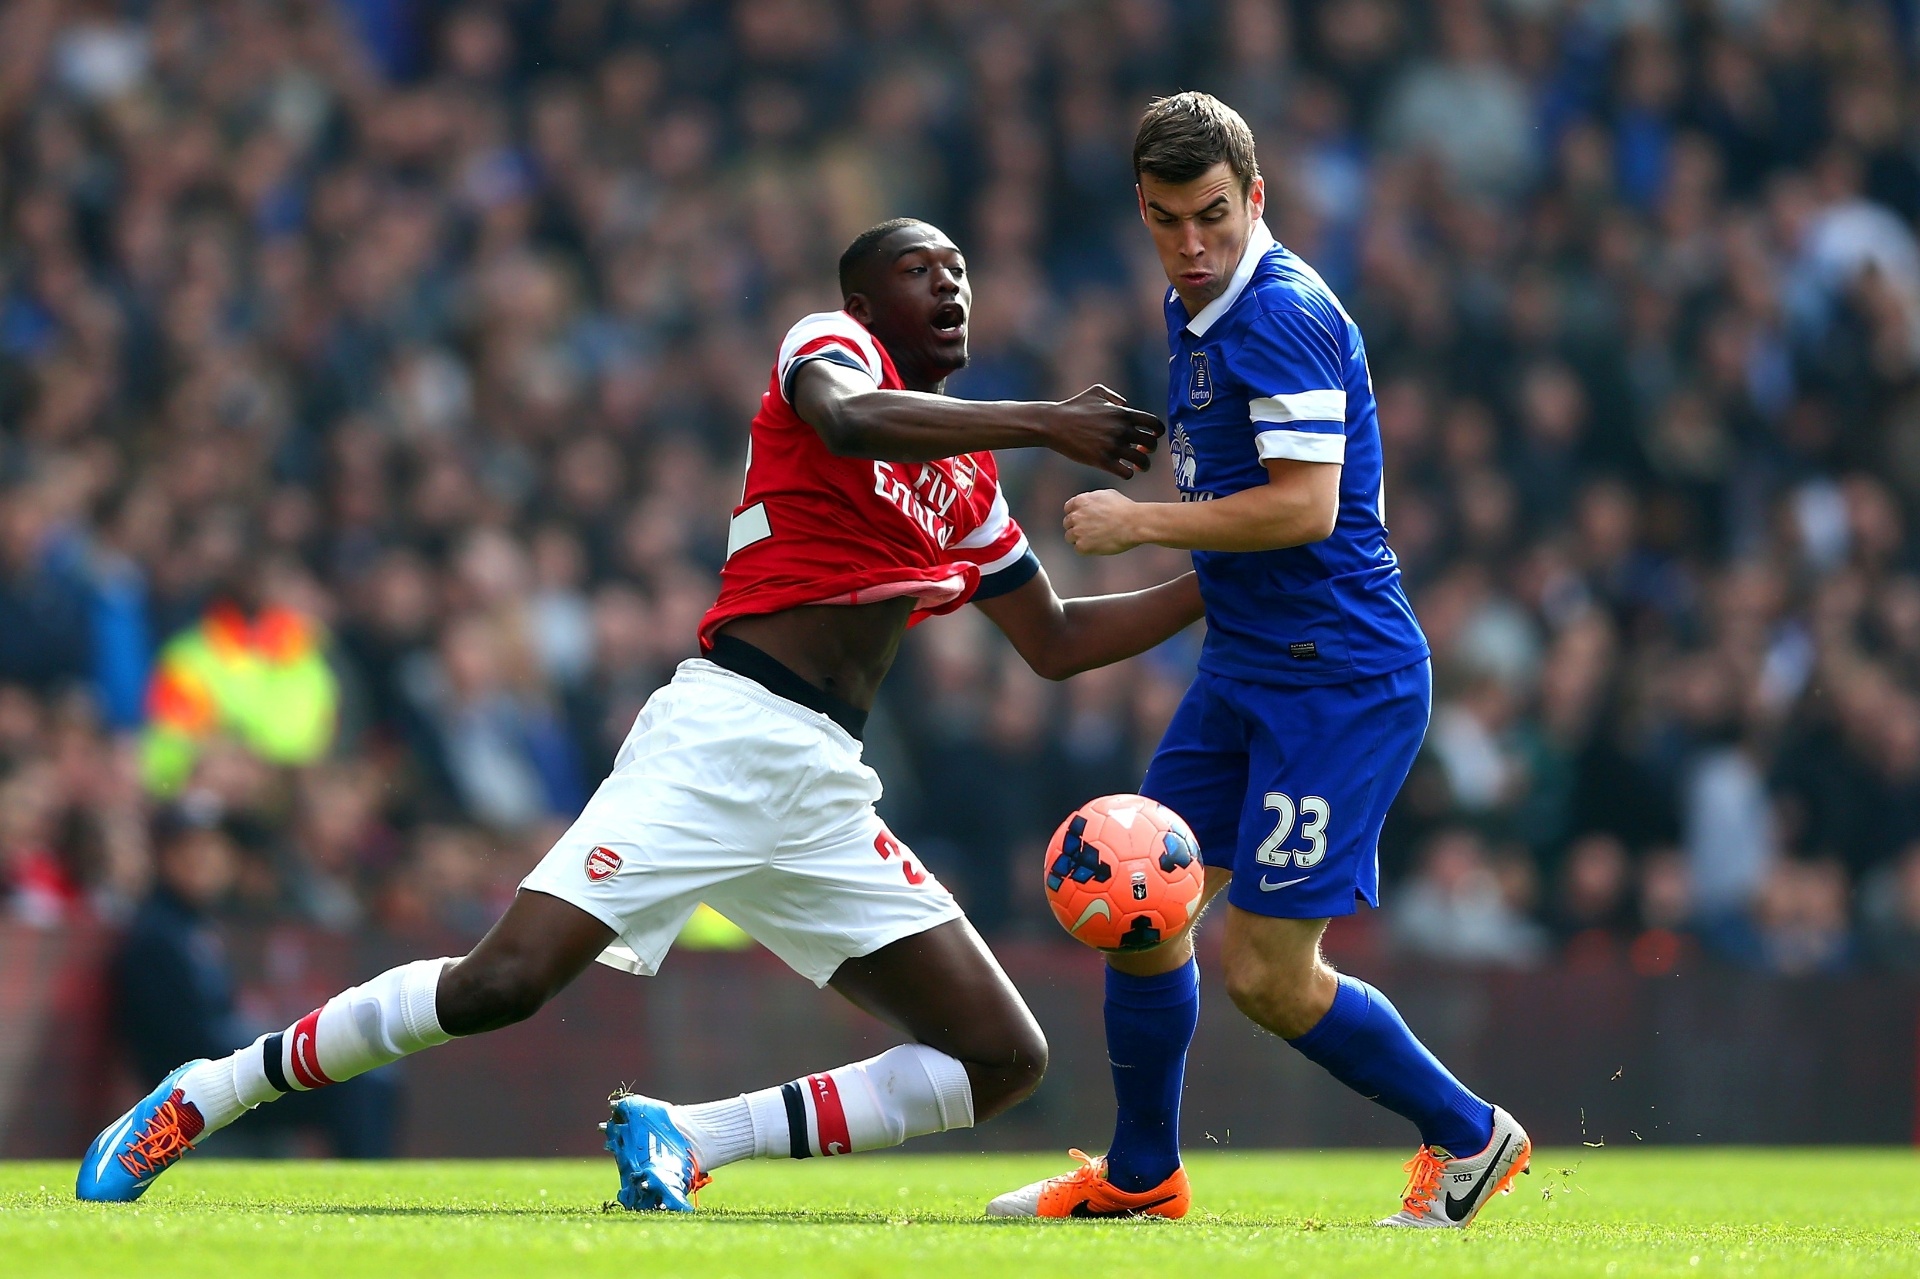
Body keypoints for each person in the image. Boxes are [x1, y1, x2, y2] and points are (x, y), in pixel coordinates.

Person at [79, 218, 1205, 1208]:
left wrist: (1223, 571)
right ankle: (210, 1088)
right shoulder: (831, 345)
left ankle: (690, 1135)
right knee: (500, 984)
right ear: (866, 299)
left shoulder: (966, 481)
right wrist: (1048, 421)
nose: (953, 287)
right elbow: (852, 422)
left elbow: (1055, 641)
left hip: (819, 779)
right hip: (720, 740)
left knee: (1000, 1058)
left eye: (962, 271)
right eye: (923, 269)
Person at [987, 94, 1530, 1228]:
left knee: (1267, 977)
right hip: (1246, 666)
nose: (1193, 244)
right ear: (1141, 209)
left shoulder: (1280, 311)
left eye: (1215, 217)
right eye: (1170, 220)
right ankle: (1141, 1178)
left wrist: (1140, 523)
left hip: (1339, 678)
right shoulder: (1195, 305)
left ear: (1258, 198)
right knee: (1139, 905)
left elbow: (1305, 507)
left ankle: (1473, 1135)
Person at [113, 804, 397, 1159]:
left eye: (214, 848)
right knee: (356, 1081)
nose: (205, 860)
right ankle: (362, 1196)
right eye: (190, 849)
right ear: (164, 856)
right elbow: (188, 1043)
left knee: (364, 1069)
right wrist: (270, 1052)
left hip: (225, 1073)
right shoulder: (157, 934)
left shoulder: (194, 925)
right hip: (198, 1097)